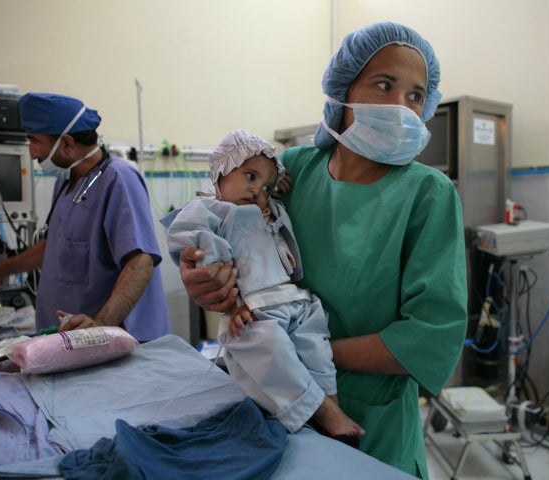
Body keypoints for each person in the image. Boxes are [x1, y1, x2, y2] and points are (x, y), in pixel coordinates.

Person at [176, 22, 467, 478]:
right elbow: (226, 240)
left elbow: (432, 338)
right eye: (384, 85)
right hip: (267, 403)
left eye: (415, 96)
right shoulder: (288, 174)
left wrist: (302, 350)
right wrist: (207, 282)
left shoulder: (427, 194)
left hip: (372, 426)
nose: (400, 107)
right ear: (342, 90)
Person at [161, 129, 364, 444]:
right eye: (250, 176)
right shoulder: (210, 209)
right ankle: (322, 410)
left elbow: (275, 221)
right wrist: (230, 302)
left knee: (316, 344)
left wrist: (273, 191)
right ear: (220, 175)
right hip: (251, 310)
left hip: (293, 299)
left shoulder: (269, 209)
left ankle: (329, 402)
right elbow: (194, 241)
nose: (257, 190)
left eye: (265, 185)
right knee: (270, 348)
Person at [0, 93, 170, 342]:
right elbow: (54, 246)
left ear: (66, 143)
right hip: (71, 339)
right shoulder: (66, 182)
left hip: (112, 339)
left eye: (34, 141)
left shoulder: (119, 178)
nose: (31, 153)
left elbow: (141, 261)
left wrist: (100, 325)